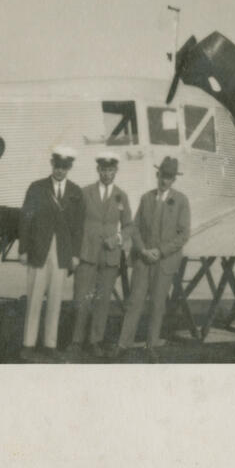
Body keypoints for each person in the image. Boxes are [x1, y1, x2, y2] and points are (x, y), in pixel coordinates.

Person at [110, 156, 190, 363]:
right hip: (143, 260)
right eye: (162, 176)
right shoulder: (146, 198)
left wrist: (160, 251)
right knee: (134, 303)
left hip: (164, 263)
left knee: (157, 305)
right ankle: (123, 344)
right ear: (157, 175)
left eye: (169, 177)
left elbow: (183, 234)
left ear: (174, 180)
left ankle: (151, 346)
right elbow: (134, 227)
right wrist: (143, 250)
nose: (164, 180)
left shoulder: (181, 201)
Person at [18, 146, 84, 361]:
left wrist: (75, 255)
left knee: (56, 299)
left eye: (64, 167)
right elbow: (25, 220)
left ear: (70, 167)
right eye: (57, 166)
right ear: (52, 164)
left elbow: (78, 227)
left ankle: (50, 345)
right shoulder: (37, 188)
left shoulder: (76, 192)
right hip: (38, 250)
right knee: (34, 298)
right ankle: (28, 344)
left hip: (62, 252)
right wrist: (23, 249)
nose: (60, 170)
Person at [68, 151, 134, 359]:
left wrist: (117, 239)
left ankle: (95, 341)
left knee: (102, 301)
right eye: (103, 170)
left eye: (110, 170)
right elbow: (74, 223)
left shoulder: (121, 196)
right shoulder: (85, 193)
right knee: (81, 298)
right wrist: (74, 252)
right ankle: (76, 341)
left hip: (109, 256)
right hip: (87, 254)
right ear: (98, 170)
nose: (106, 174)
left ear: (116, 171)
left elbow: (129, 226)